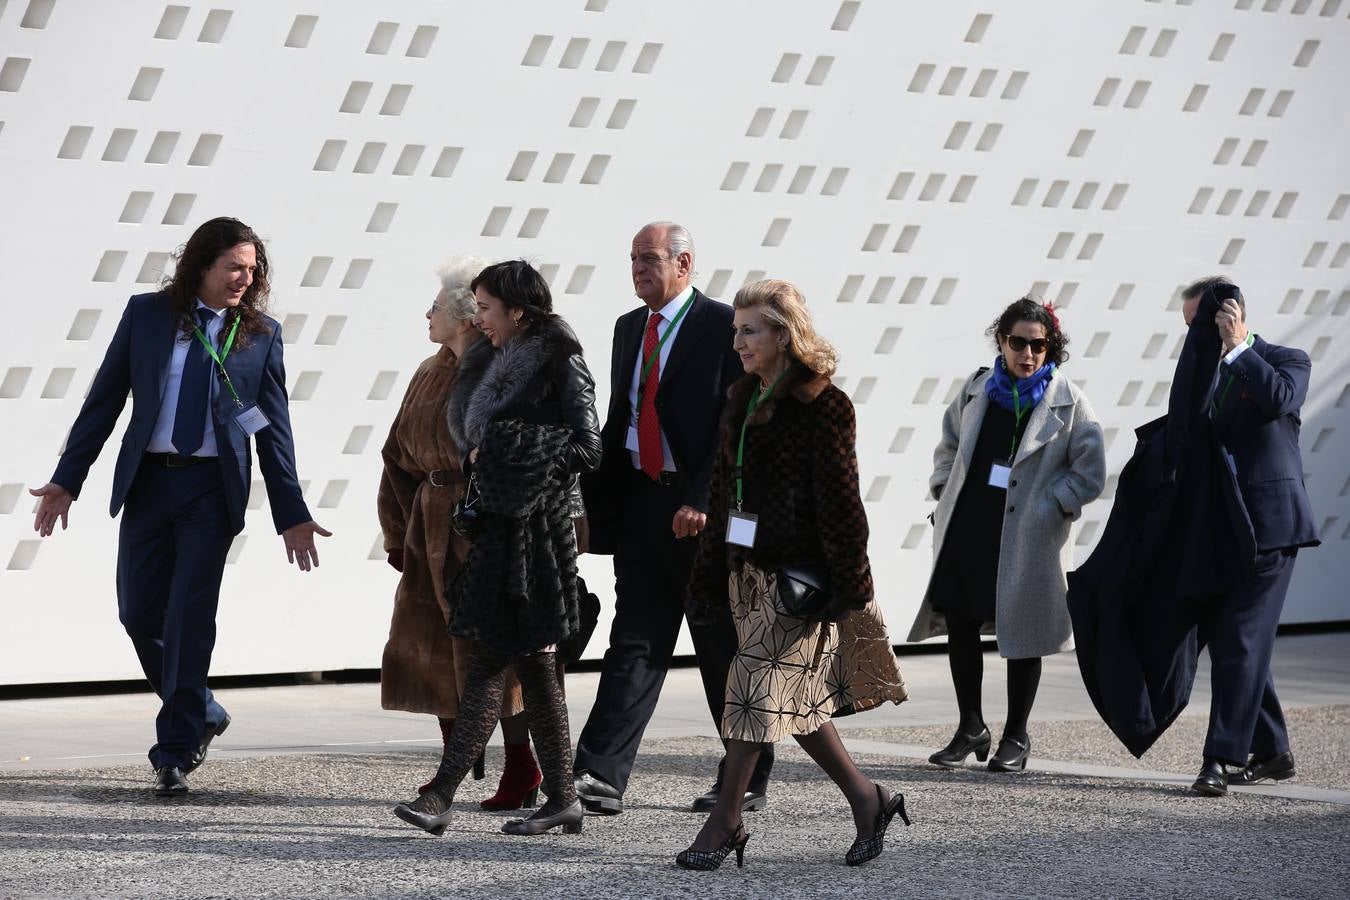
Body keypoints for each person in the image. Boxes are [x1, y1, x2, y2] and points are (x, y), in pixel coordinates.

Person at [29, 217, 329, 797]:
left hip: (210, 492)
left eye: (252, 269)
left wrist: (291, 512)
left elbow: (273, 430)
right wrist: (68, 480)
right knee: (139, 613)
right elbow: (105, 401)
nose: (245, 278)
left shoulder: (260, 332)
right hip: (149, 483)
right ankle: (202, 709)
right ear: (202, 266)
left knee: (189, 616)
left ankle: (174, 750)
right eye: (234, 267)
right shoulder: (147, 315)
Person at [681, 279, 910, 870]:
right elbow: (720, 495)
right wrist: (707, 578)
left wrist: (851, 587)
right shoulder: (740, 397)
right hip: (746, 574)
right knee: (794, 704)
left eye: (750, 331)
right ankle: (869, 798)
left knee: (751, 689)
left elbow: (842, 502)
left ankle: (726, 820)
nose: (738, 342)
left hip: (800, 582)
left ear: (784, 334)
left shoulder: (822, 403)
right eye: (736, 331)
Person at [391, 259, 600, 836]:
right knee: (530, 666)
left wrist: (510, 454)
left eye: (485, 308)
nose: (478, 317)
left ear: (518, 311)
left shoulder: (561, 359)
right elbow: (476, 443)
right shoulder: (494, 359)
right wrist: (477, 459)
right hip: (502, 528)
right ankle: (559, 798)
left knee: (495, 661)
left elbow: (588, 446)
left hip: (540, 533)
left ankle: (442, 797)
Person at [574, 221, 774, 816]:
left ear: (684, 263)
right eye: (632, 258)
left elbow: (732, 422)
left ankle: (747, 775)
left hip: (700, 509)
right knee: (635, 636)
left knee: (718, 644)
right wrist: (591, 504)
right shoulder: (627, 328)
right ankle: (600, 774)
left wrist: (704, 498)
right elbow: (622, 420)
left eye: (650, 258)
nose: (637, 268)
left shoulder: (722, 325)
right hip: (642, 501)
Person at [909, 297, 1105, 773]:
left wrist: (1053, 505)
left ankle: (1017, 735)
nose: (1028, 353)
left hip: (1028, 535)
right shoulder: (978, 388)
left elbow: (1091, 470)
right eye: (1018, 342)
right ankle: (970, 726)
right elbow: (949, 442)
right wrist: (942, 483)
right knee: (959, 622)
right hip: (970, 524)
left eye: (1039, 345)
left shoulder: (1069, 401)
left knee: (1025, 633)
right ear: (1001, 341)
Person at [376, 255, 543, 810]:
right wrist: (399, 532)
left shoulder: (505, 369)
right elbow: (396, 454)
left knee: (496, 654)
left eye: (435, 307)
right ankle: (455, 762)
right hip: (429, 529)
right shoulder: (428, 371)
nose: (427, 315)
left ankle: (523, 770)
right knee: (432, 650)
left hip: (484, 526)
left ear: (466, 316)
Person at [1179, 277, 1319, 796]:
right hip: (1220, 528)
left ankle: (1219, 758)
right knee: (1234, 638)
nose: (1197, 334)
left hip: (1271, 526)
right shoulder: (1202, 374)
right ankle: (1275, 750)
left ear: (1232, 315)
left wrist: (1238, 346)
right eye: (1190, 326)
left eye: (1204, 323)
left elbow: (1280, 399)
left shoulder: (1287, 359)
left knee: (1239, 635)